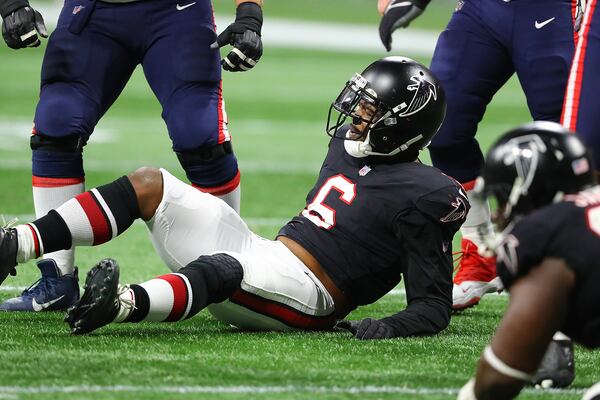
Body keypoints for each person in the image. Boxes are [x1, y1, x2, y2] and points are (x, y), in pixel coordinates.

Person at [0, 57, 469, 338]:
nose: (355, 116)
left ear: (403, 125)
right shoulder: (348, 142)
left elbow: (432, 306)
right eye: (359, 104)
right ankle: (15, 244)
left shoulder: (428, 194)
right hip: (269, 251)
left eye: (370, 111)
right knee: (150, 183)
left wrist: (388, 326)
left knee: (223, 267)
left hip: (311, 296)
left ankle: (119, 304)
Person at [0, 0, 264, 312]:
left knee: (199, 134)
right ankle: (57, 278)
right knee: (56, 124)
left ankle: (231, 260)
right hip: (94, 12)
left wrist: (250, 14)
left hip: (178, 13)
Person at [377, 0, 584, 310]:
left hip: (554, 9)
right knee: (441, 125)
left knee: (565, 144)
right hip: (483, 9)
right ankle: (481, 255)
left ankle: (573, 261)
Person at [455, 121, 600, 399]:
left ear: (530, 192)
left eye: (502, 199)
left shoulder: (543, 237)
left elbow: (498, 379)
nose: (498, 215)